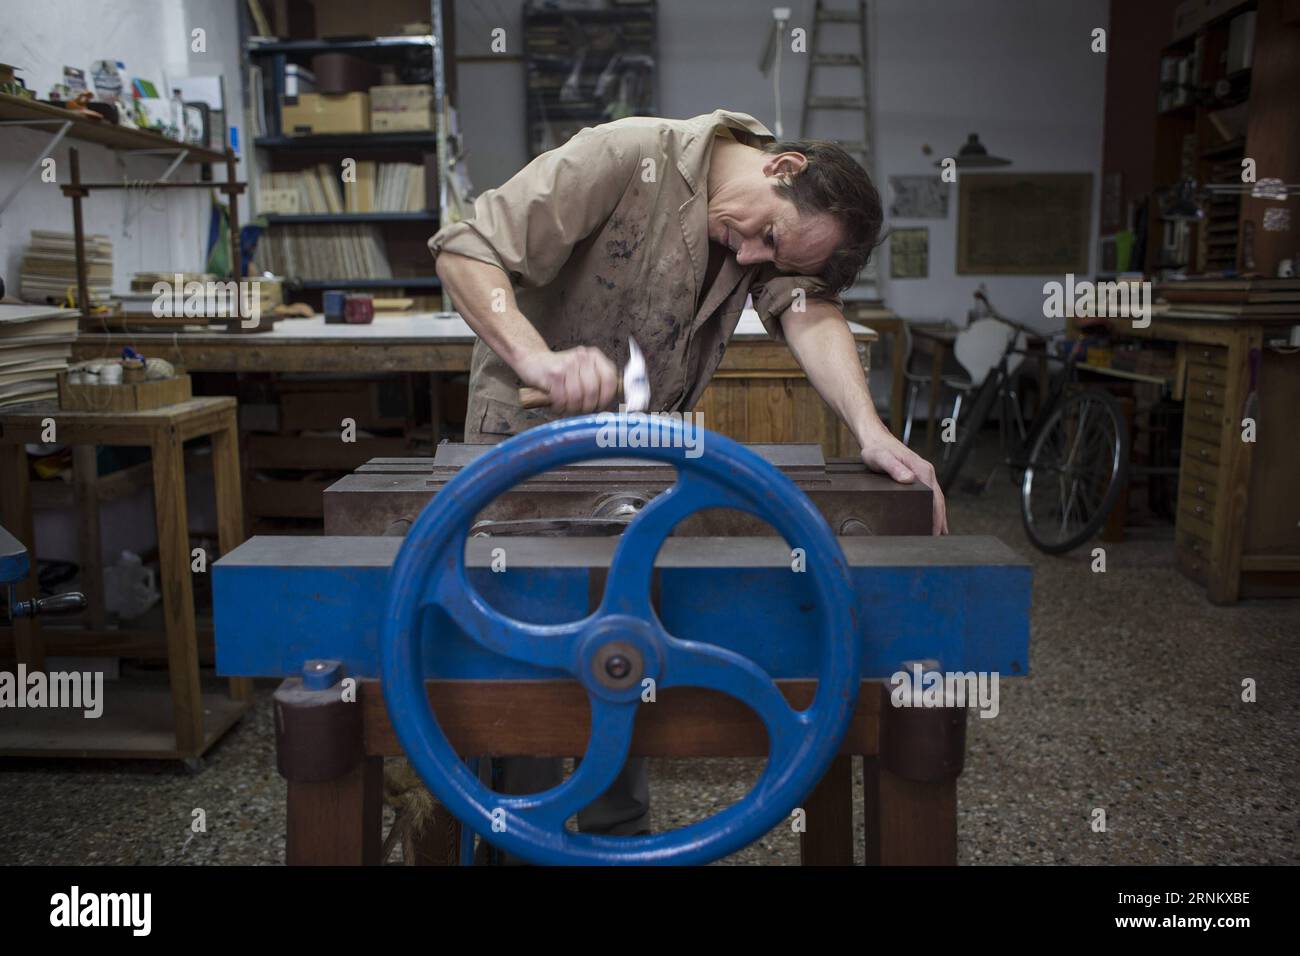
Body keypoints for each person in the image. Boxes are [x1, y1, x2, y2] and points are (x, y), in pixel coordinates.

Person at [429, 109, 947, 845]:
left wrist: (871, 431)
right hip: (524, 452)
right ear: (784, 166)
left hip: (637, 462)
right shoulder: (625, 153)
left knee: (626, 639)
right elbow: (466, 249)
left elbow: (810, 313)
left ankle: (618, 840)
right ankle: (523, 841)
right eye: (765, 236)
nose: (753, 256)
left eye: (772, 258)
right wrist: (536, 358)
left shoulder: (766, 243)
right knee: (528, 669)